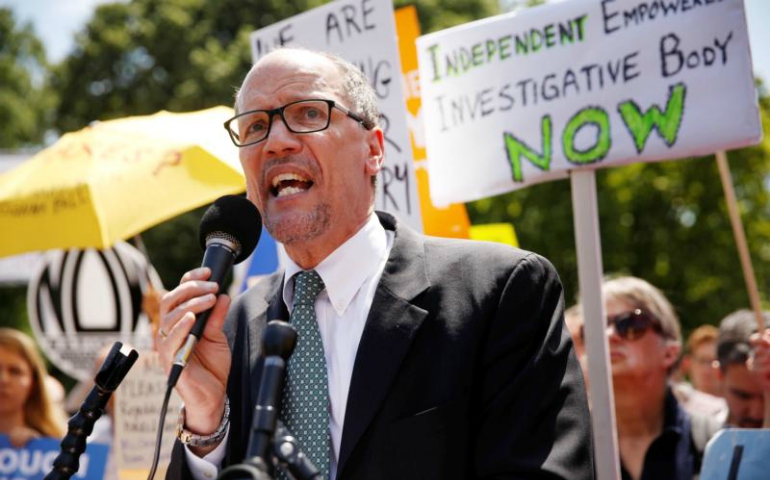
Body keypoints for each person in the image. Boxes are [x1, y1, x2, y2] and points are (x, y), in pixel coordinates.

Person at [158, 47, 593, 480]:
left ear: (374, 150)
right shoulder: (227, 329)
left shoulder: (500, 291)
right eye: (255, 125)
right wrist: (206, 423)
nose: (276, 142)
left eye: (309, 114)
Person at [603, 276, 720, 480]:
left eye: (630, 324)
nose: (609, 334)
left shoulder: (716, 444)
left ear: (670, 352)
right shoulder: (560, 447)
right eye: (595, 327)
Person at [0, 328, 66, 447]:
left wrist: (38, 448)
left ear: (34, 382)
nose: (4, 380)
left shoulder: (58, 446)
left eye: (15, 371)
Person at [716, 309, 770, 428]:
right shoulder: (696, 438)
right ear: (719, 374)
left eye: (766, 397)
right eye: (743, 396)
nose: (757, 413)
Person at [671, 326, 727, 418]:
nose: (707, 368)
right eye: (702, 361)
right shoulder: (678, 402)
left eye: (714, 361)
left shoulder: (734, 408)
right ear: (687, 363)